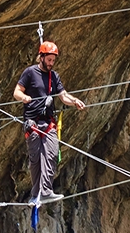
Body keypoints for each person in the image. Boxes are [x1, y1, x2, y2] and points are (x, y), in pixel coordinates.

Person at [13, 41, 85, 206]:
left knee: (51, 154)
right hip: (32, 124)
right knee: (35, 160)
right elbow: (16, 91)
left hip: (49, 123)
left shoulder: (54, 76)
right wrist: (24, 98)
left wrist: (75, 101)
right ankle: (35, 194)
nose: (51, 63)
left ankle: (46, 191)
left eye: (54, 60)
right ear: (42, 57)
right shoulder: (30, 73)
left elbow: (63, 96)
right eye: (49, 60)